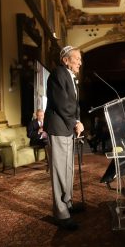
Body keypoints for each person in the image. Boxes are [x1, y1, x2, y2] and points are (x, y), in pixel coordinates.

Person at [44, 45, 84, 230]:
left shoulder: (70, 77)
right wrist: (75, 122)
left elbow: (74, 105)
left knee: (68, 169)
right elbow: (62, 103)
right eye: (77, 59)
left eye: (80, 59)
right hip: (59, 127)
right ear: (65, 60)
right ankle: (61, 214)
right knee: (60, 171)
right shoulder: (58, 73)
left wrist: (78, 121)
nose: (80, 63)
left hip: (67, 127)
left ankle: (67, 203)